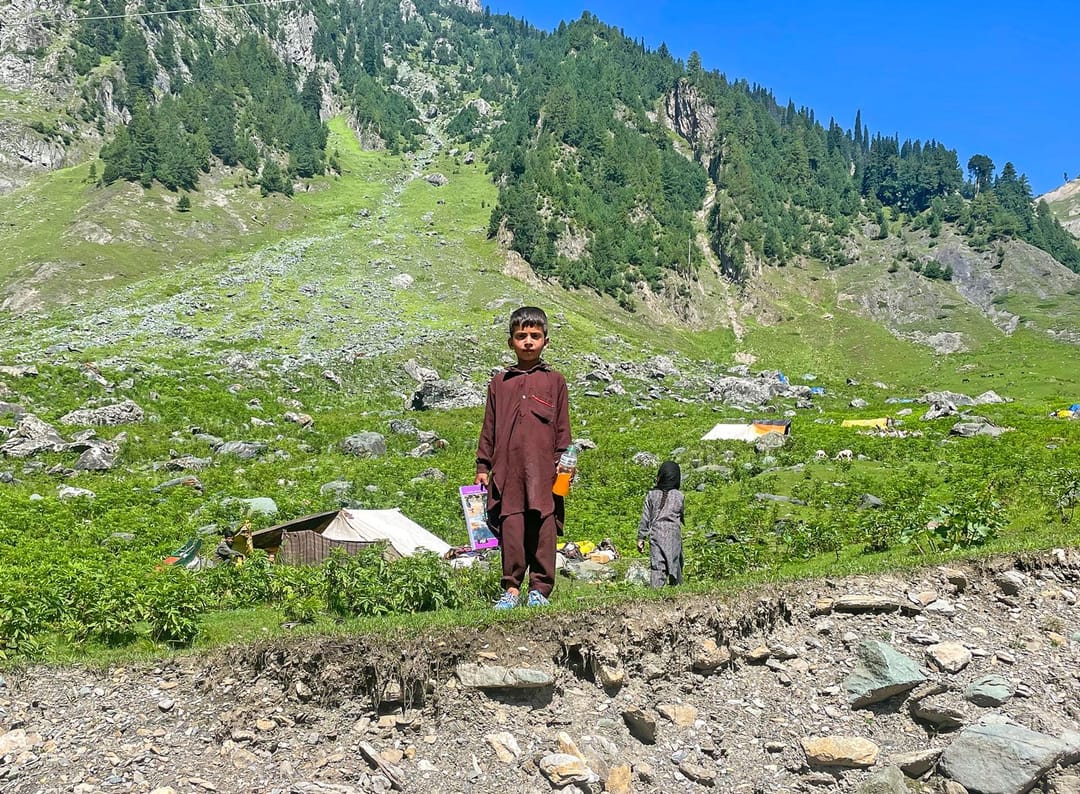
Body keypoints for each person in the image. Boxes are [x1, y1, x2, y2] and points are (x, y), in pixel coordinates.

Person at [476, 306, 571, 609]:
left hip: (546, 472)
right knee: (512, 530)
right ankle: (511, 590)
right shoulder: (499, 383)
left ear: (546, 340)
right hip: (508, 472)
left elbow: (562, 428)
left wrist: (564, 462)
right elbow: (489, 427)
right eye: (521, 336)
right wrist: (483, 465)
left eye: (535, 336)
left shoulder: (555, 381)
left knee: (543, 529)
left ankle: (539, 590)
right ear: (511, 342)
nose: (528, 341)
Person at [636, 461, 684, 587]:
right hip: (674, 534)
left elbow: (645, 517)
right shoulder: (679, 496)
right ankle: (676, 590)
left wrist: (641, 538)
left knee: (657, 566)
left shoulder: (651, 495)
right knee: (676, 564)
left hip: (656, 534)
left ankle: (656, 594)